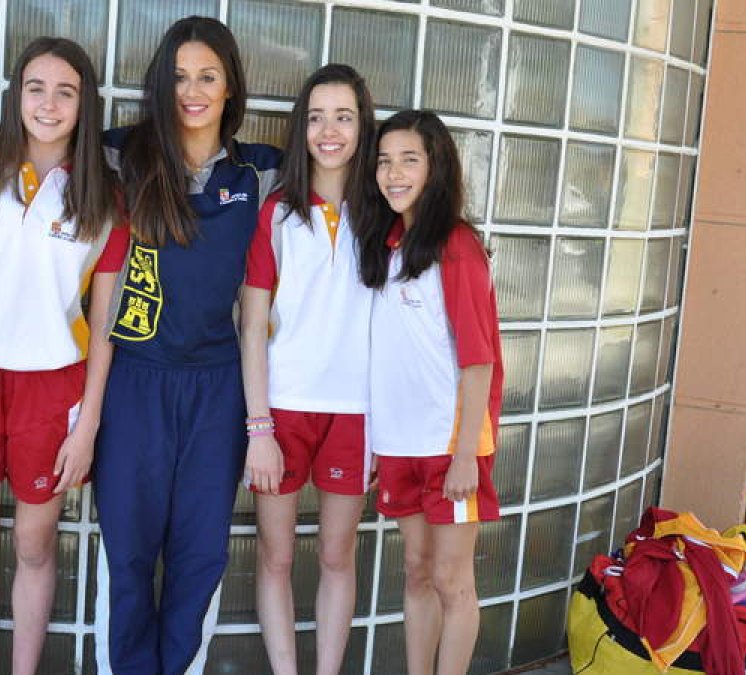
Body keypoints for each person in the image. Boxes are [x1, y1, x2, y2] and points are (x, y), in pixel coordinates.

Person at [91, 16, 282, 675]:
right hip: (134, 380)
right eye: (178, 77)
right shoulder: (122, 155)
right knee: (129, 552)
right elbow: (31, 138)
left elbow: (351, 174)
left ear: (231, 88)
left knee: (201, 554)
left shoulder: (260, 172)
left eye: (207, 76)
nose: (192, 91)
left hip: (218, 387)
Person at [0, 37, 126, 675]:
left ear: (83, 105)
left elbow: (104, 325)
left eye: (65, 91)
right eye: (36, 88)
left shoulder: (104, 199)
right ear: (16, 96)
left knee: (37, 544)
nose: (48, 104)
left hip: (53, 385)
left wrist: (89, 422)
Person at [239, 63, 378, 675]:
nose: (329, 130)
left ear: (362, 127)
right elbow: (251, 325)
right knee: (274, 558)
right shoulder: (277, 213)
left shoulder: (384, 216)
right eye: (316, 117)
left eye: (343, 117)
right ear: (301, 127)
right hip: (284, 409)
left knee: (337, 556)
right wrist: (259, 427)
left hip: (356, 414)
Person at [359, 109, 503, 675]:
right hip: (400, 444)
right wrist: (377, 442)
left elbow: (478, 360)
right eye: (384, 160)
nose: (393, 173)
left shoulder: (457, 245)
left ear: (435, 166)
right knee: (416, 571)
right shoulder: (390, 244)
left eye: (409, 160)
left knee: (451, 579)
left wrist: (466, 453)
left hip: (450, 447)